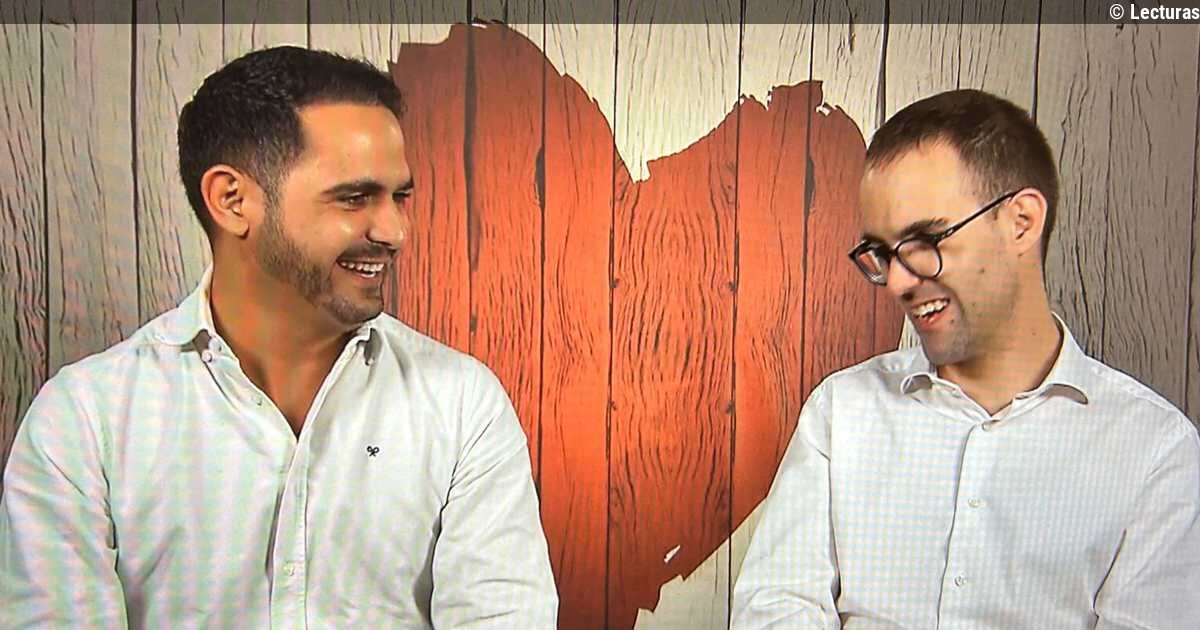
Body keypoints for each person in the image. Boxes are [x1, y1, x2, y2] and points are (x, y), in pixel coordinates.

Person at [0, 46, 558, 628]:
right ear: (232, 200)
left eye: (400, 197)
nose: (394, 230)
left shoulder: (462, 402)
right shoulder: (85, 418)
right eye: (354, 197)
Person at [731, 88, 1200, 628]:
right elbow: (775, 607)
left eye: (926, 239)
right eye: (882, 253)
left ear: (1022, 221)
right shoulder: (842, 410)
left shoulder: (1156, 452)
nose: (898, 283)